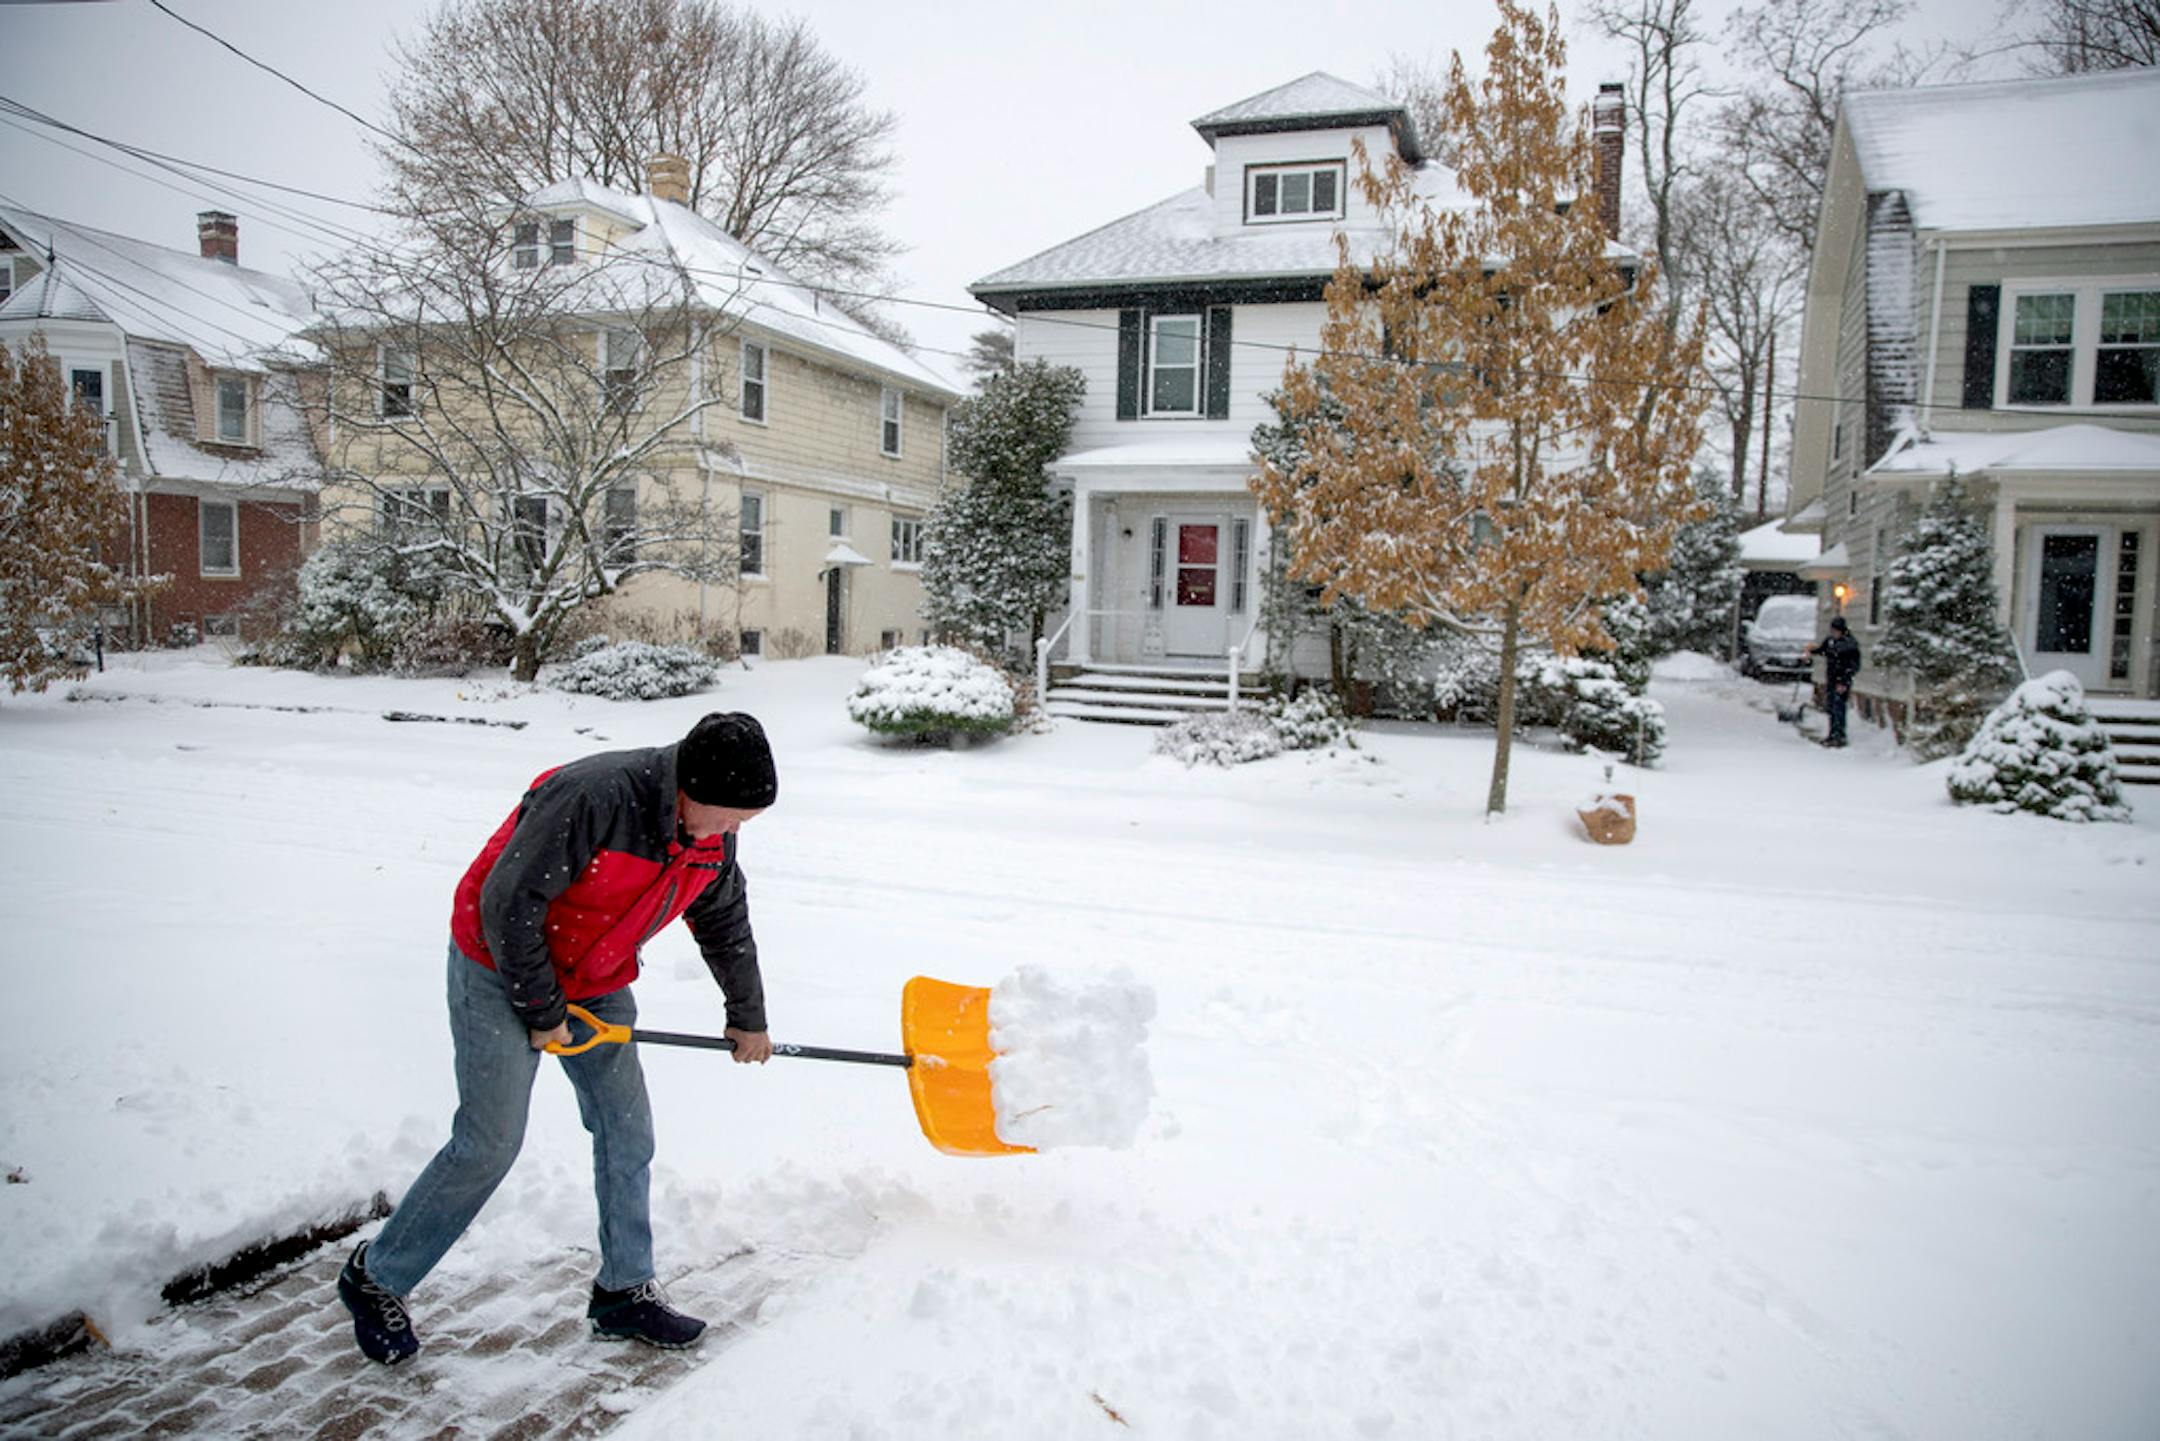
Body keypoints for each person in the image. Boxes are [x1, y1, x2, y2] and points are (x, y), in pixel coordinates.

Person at [336, 712, 778, 1365]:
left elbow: (723, 919)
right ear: (689, 786)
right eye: (732, 814)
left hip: (595, 975)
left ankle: (625, 1290)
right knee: (489, 1142)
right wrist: (541, 1008)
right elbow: (506, 901)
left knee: (628, 1132)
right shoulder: (593, 795)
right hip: (498, 965)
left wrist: (748, 1014)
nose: (736, 829)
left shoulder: (710, 837)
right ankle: (376, 1277)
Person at [1806, 616, 1863, 747]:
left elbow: (1854, 666)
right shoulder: (1831, 641)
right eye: (1833, 631)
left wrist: (1844, 682)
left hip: (1842, 682)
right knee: (1831, 708)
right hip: (1831, 680)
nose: (1834, 633)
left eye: (1836, 631)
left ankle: (1840, 735)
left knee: (1839, 708)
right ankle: (1832, 734)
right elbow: (1823, 650)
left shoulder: (1850, 645)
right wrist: (1811, 651)